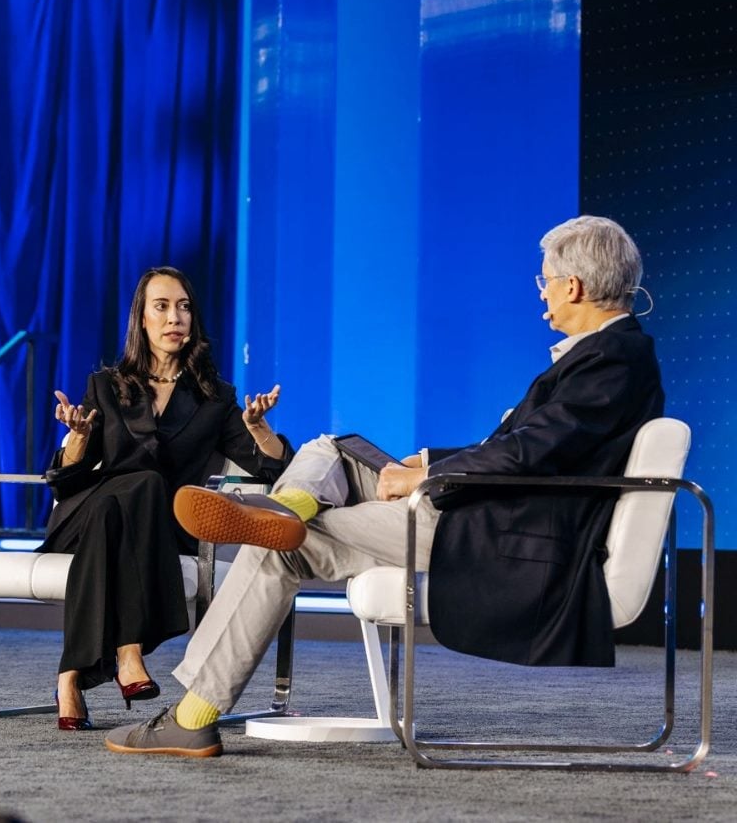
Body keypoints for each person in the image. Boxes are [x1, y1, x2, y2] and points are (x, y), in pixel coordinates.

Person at [105, 215, 663, 757]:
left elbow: (533, 451)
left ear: (576, 285)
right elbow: (530, 447)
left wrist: (426, 475)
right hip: (474, 505)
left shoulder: (614, 360)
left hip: (488, 533)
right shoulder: (608, 356)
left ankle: (192, 716)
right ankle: (286, 508)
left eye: (545, 281)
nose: (542, 293)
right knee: (330, 449)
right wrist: (426, 463)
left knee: (285, 549)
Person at [42, 266, 294, 731]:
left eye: (183, 307)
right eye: (161, 307)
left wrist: (259, 429)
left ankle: (69, 677)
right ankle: (128, 651)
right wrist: (77, 438)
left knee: (140, 492)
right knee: (140, 484)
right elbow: (65, 483)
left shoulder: (215, 398)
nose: (174, 317)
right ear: (142, 318)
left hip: (157, 530)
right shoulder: (107, 386)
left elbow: (274, 468)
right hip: (86, 514)